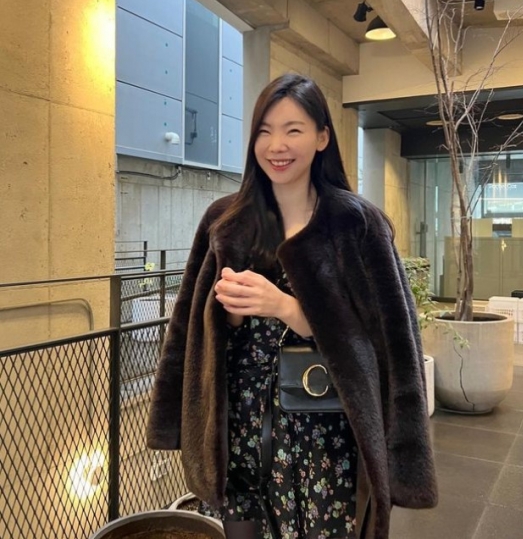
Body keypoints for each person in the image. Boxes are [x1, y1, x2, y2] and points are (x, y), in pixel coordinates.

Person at [147, 73, 437, 539]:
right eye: (264, 131)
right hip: (238, 430)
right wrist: (230, 313)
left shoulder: (356, 223)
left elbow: (391, 345)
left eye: (293, 129)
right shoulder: (224, 221)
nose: (276, 145)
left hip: (326, 435)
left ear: (322, 137)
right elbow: (187, 332)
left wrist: (288, 308)